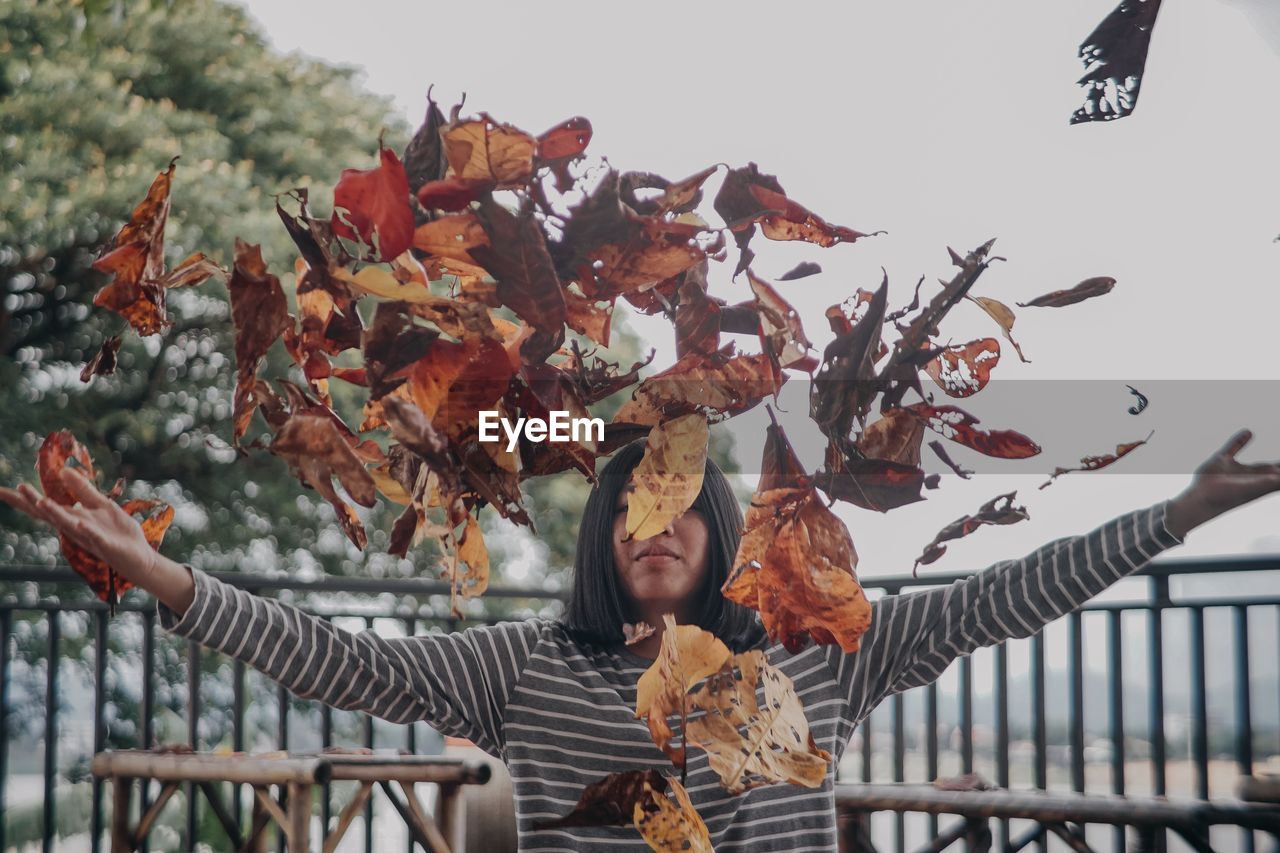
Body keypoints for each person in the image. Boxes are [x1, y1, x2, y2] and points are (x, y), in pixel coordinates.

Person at [3, 429, 1279, 851]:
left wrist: (1174, 511)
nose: (650, 525)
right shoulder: (528, 665)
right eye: (627, 509)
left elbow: (1015, 589)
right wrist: (159, 572)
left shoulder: (822, 648)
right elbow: (340, 658)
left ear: (721, 534)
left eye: (677, 509)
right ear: (601, 540)